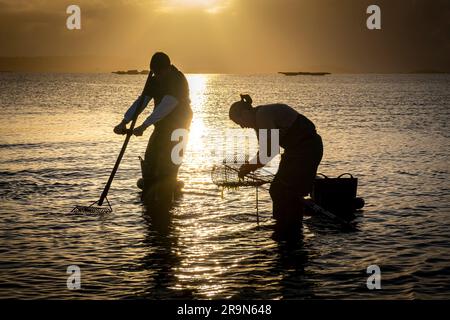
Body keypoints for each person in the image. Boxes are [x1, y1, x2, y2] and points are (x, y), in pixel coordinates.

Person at [229, 94, 323, 227]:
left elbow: (270, 152)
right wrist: (249, 165)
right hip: (296, 152)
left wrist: (249, 167)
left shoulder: (263, 116)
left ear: (244, 113)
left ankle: (288, 228)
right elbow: (265, 151)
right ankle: (287, 227)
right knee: (282, 190)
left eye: (239, 122)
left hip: (306, 149)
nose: (241, 127)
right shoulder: (259, 121)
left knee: (281, 190)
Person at [114, 52, 193, 204]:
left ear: (168, 68)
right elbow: (142, 101)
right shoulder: (154, 79)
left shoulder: (178, 80)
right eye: (155, 73)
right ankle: (151, 190)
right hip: (162, 127)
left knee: (171, 162)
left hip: (180, 127)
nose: (158, 76)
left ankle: (168, 186)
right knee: (151, 157)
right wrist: (124, 121)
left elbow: (166, 105)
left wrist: (144, 125)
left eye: (160, 73)